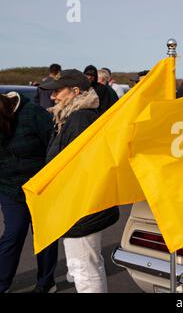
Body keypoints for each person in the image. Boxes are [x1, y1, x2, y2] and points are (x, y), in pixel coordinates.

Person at [40, 69, 119, 293]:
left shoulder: (80, 118)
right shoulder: (70, 117)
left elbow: (78, 167)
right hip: (77, 203)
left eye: (57, 91)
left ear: (75, 92)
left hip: (81, 205)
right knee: (85, 265)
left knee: (84, 268)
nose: (53, 97)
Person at [0, 91, 58, 293]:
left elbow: (54, 146)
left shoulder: (33, 113)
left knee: (43, 235)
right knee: (13, 233)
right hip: (9, 188)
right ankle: (2, 283)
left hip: (40, 186)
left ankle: (46, 283)